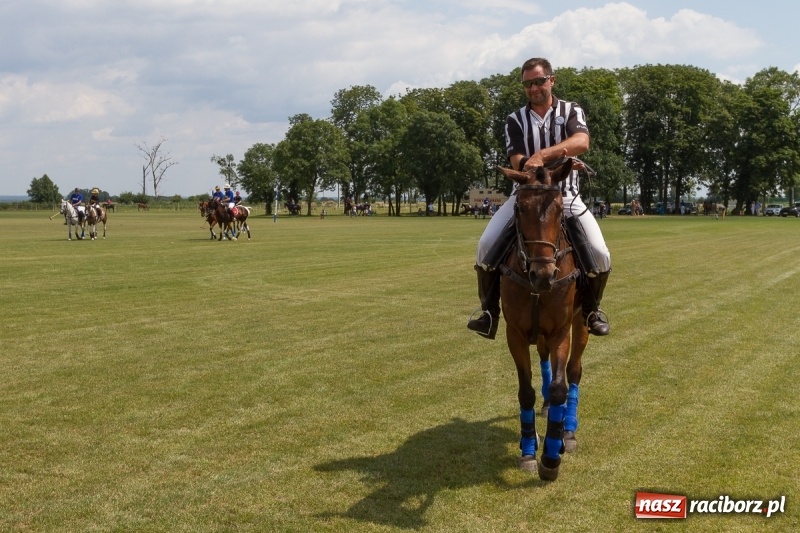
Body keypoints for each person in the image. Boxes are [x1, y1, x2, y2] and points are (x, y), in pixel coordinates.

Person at [467, 57, 611, 340]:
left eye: (539, 81)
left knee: (600, 253)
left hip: (565, 196)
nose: (533, 88)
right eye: (527, 83)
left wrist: (543, 156)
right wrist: (538, 166)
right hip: (526, 197)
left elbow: (581, 142)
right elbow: (517, 158)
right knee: (485, 247)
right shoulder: (514, 119)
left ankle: (591, 310)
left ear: (551, 80)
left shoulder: (571, 110)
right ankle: (489, 313)